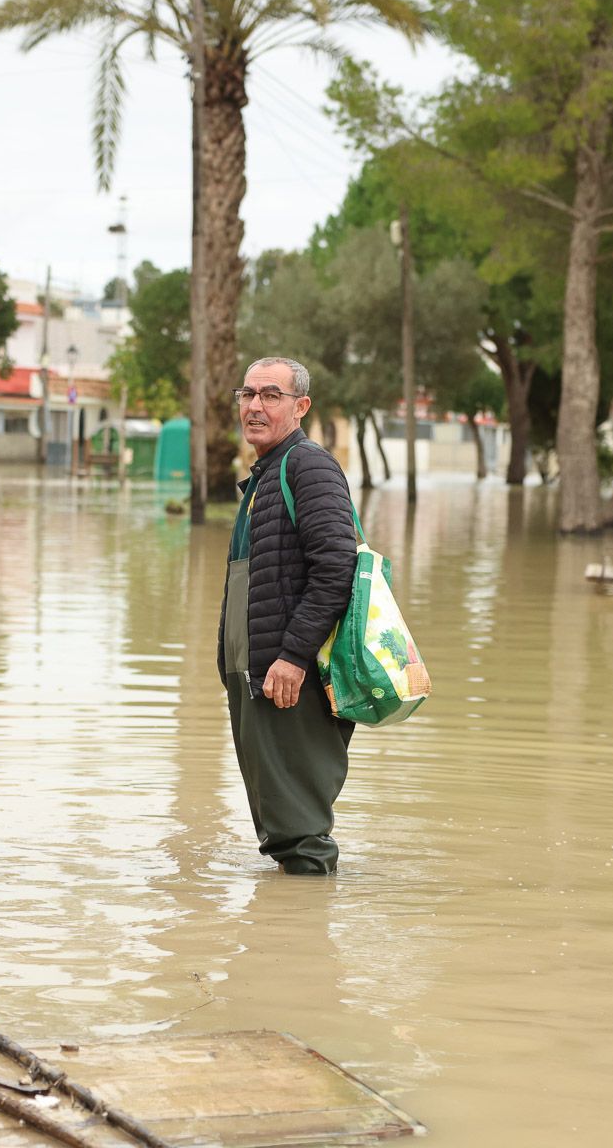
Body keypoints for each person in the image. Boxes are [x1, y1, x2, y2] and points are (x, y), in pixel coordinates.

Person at [218, 356, 358, 874]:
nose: (255, 406)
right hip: (259, 673)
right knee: (281, 825)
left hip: (287, 676)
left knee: (298, 832)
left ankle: (302, 942)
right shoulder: (266, 473)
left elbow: (337, 566)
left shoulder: (308, 465)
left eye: (270, 396)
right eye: (248, 394)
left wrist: (293, 656)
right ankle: (287, 935)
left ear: (300, 407)